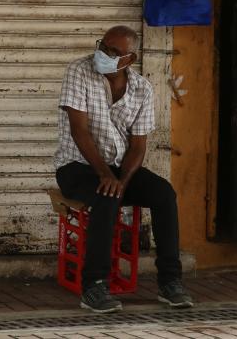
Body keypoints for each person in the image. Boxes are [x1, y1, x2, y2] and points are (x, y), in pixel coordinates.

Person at [54, 25, 192, 313]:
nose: (104, 54)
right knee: (107, 197)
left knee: (164, 194)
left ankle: (170, 282)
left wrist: (123, 178)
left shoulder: (142, 88)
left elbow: (138, 146)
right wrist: (106, 175)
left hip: (119, 169)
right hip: (77, 167)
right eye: (103, 46)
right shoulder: (80, 71)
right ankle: (93, 287)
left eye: (114, 52)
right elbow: (80, 132)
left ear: (130, 59)